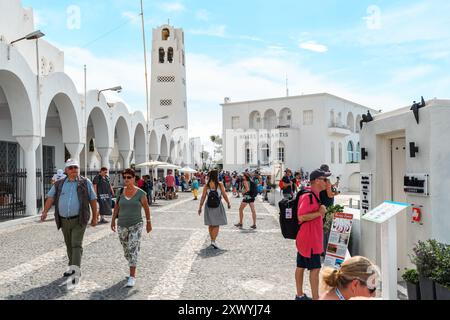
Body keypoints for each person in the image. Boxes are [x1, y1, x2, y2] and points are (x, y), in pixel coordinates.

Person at [40, 159, 98, 280]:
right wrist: (45, 212)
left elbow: (93, 199)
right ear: (66, 170)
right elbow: (50, 198)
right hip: (64, 220)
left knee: (76, 244)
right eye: (71, 168)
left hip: (79, 219)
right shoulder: (59, 183)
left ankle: (75, 270)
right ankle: (72, 266)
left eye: (75, 167)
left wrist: (95, 216)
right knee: (69, 244)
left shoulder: (85, 182)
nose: (74, 170)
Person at [111, 169, 152, 288]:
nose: (126, 179)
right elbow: (117, 207)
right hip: (122, 224)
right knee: (126, 249)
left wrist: (149, 222)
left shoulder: (141, 193)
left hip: (136, 224)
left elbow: (146, 208)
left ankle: (132, 276)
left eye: (129, 177)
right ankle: (131, 262)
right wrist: (113, 220)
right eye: (125, 177)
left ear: (134, 178)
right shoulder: (120, 192)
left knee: (132, 248)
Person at [295, 169, 331, 300]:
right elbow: (301, 216)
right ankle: (316, 298)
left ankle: (299, 295)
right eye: (325, 179)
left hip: (306, 237)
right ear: (316, 180)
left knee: (301, 266)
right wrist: (320, 212)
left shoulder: (314, 195)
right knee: (315, 269)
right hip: (310, 239)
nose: (327, 182)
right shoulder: (309, 196)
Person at [198, 170, 231, 249]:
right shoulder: (220, 184)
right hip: (217, 205)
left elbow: (203, 197)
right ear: (216, 176)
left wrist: (200, 207)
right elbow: (224, 195)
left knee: (211, 224)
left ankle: (212, 240)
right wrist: (228, 203)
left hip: (208, 206)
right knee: (217, 224)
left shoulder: (207, 185)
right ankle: (213, 241)